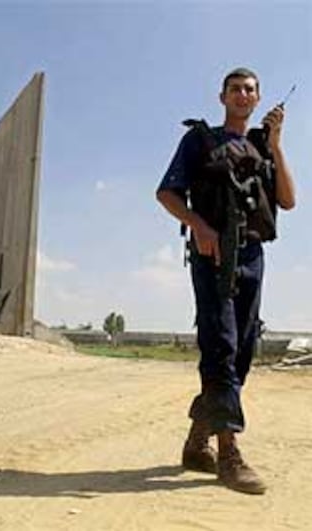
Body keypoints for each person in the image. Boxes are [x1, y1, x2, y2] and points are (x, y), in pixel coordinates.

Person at [156, 67, 296, 495]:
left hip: (253, 255)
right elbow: (167, 192)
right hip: (213, 252)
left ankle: (198, 443)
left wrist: (275, 145)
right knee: (220, 345)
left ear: (258, 100)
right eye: (235, 89)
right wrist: (199, 226)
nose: (242, 95)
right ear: (222, 97)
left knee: (242, 351)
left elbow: (288, 201)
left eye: (249, 90)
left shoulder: (262, 145)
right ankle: (228, 453)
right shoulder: (199, 140)